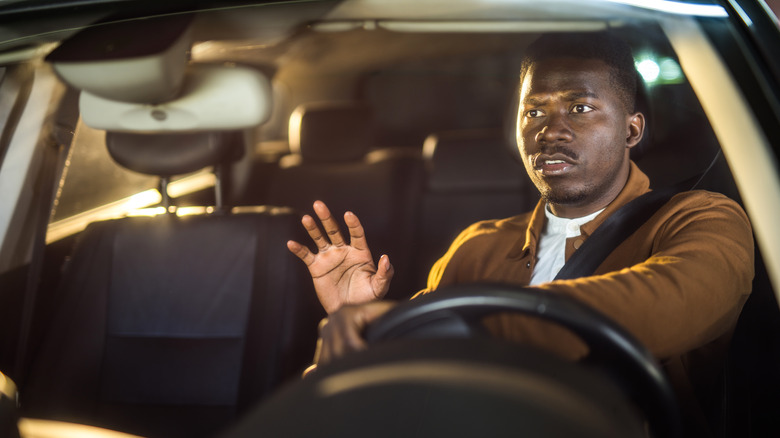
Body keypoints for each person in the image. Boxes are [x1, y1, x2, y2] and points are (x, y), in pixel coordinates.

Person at [286, 31, 754, 435]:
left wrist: (456, 331)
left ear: (632, 130)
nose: (551, 132)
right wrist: (367, 323)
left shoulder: (700, 219)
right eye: (533, 112)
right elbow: (398, 376)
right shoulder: (478, 244)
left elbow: (662, 305)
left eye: (580, 107)